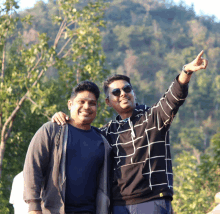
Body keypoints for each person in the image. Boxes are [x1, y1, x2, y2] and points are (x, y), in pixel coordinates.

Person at [52, 51, 208, 214]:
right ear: (108, 102)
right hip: (119, 205)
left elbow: (173, 97)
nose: (123, 94)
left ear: (133, 93)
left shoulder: (154, 118)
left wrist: (186, 71)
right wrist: (64, 118)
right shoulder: (106, 132)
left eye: (127, 89)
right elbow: (83, 134)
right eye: (116, 92)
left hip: (153, 200)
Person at [23, 81, 112, 214]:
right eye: (81, 102)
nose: (86, 107)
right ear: (70, 104)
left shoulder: (102, 141)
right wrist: (34, 207)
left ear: (97, 107)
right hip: (54, 210)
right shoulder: (52, 130)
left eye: (92, 103)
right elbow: (33, 167)